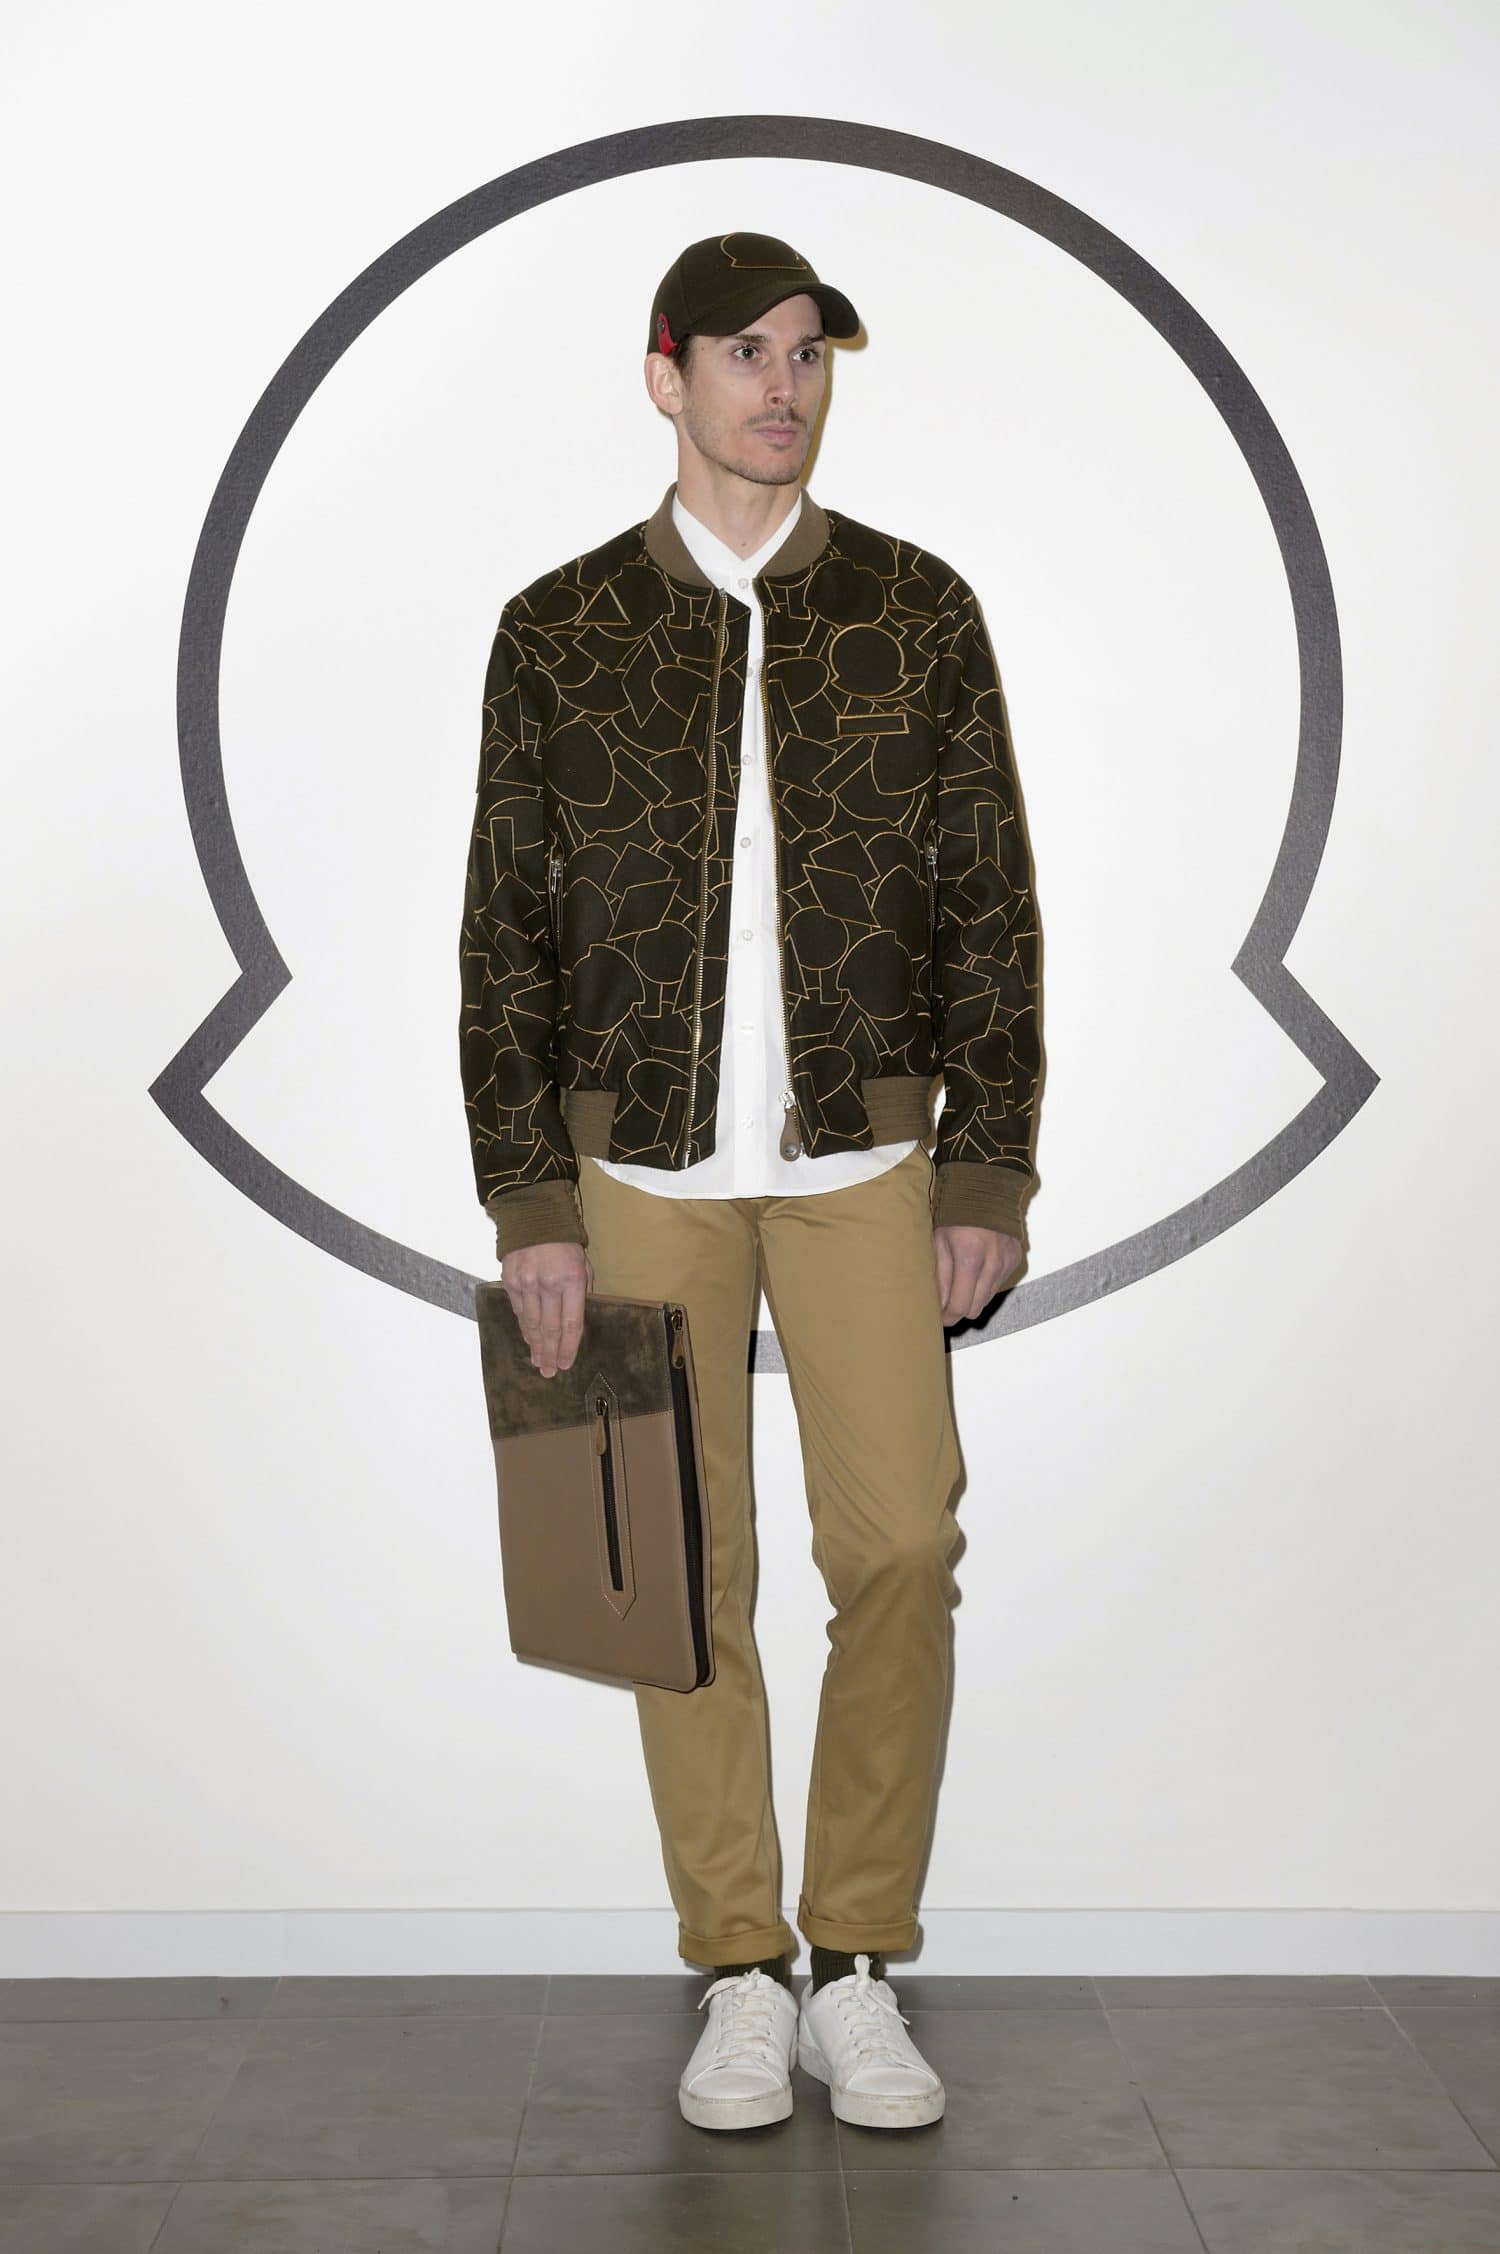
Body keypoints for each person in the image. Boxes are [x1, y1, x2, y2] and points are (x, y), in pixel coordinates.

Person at [459, 231, 1042, 2132]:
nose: (782, 385)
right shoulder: (557, 627)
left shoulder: (917, 609)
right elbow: (500, 934)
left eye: (806, 354)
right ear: (667, 375)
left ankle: (854, 1959)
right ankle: (737, 1962)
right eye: (743, 353)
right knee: (673, 1570)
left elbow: (992, 901)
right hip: (636, 1168)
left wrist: (987, 1160)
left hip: (863, 1158)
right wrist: (531, 1200)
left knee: (901, 1546)